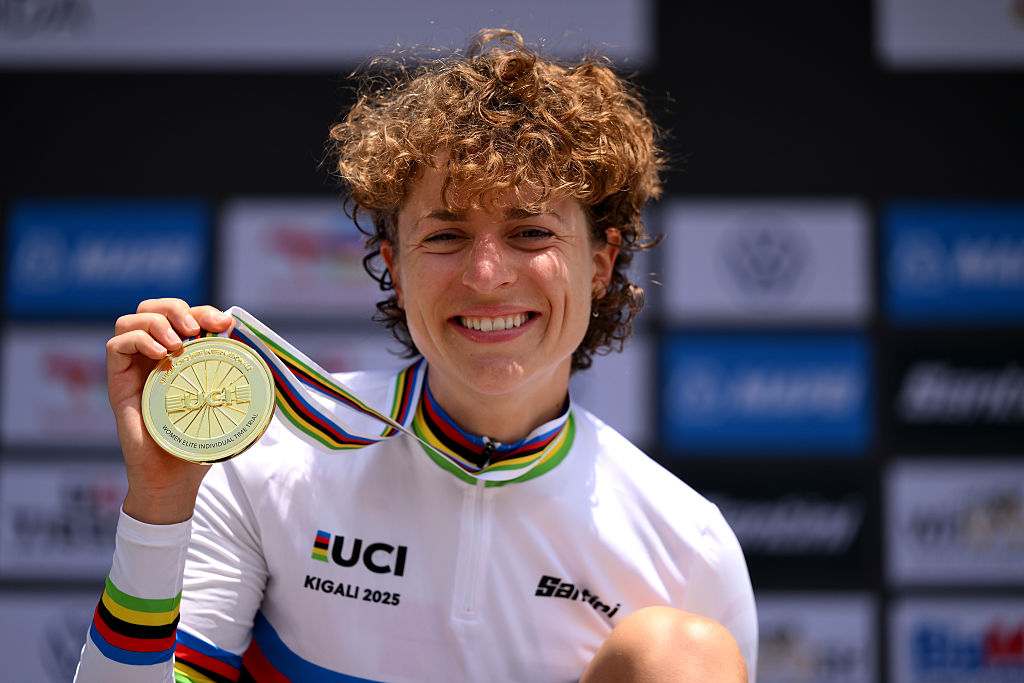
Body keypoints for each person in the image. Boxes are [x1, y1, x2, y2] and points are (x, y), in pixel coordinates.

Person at [75, 29, 757, 682]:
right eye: (446, 235)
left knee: (680, 654)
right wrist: (159, 504)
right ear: (396, 267)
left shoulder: (685, 542)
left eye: (529, 231)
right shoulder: (268, 454)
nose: (487, 274)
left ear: (601, 263)